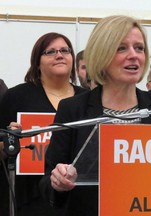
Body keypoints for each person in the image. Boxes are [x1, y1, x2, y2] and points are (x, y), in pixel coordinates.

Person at [39, 15, 151, 216]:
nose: (134, 55)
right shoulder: (73, 109)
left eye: (139, 48)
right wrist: (58, 182)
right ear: (102, 55)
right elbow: (47, 181)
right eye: (121, 48)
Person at [0, 32, 87, 216]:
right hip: (27, 199)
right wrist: (10, 141)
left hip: (76, 198)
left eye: (65, 50)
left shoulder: (88, 99)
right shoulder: (16, 97)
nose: (59, 55)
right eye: (50, 51)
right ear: (37, 62)